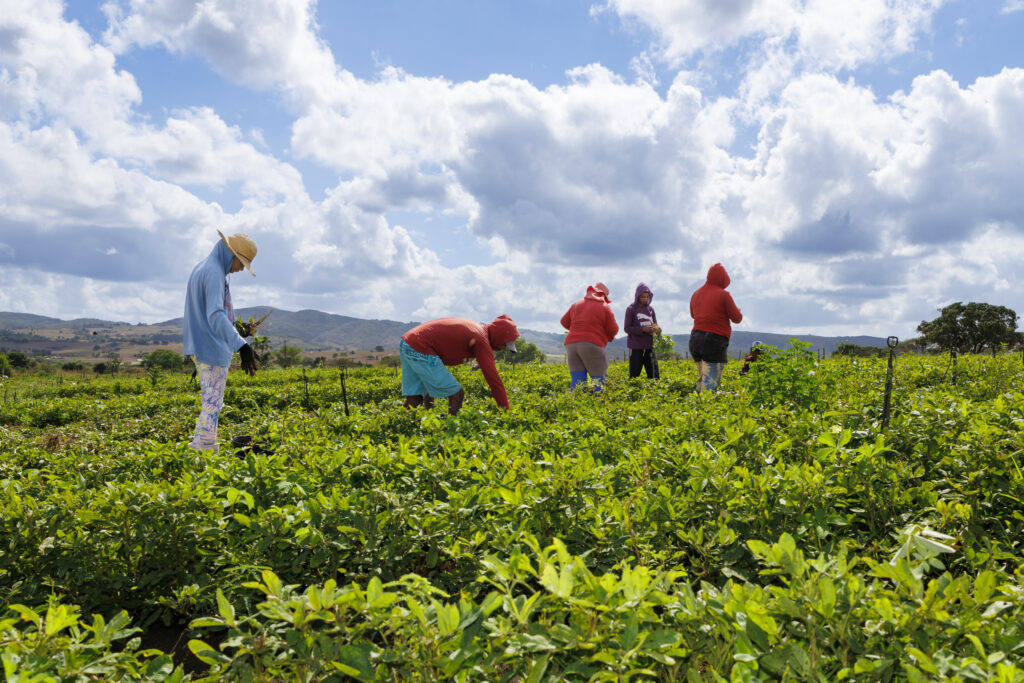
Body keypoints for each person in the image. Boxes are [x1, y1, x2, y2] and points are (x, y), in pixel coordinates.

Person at [183, 230, 259, 454]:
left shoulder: (202, 268)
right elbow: (215, 315)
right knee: (212, 406)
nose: (241, 269)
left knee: (210, 403)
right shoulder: (214, 272)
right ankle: (203, 457)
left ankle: (200, 453)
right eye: (241, 263)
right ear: (231, 254)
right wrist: (241, 345)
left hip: (202, 346)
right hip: (211, 348)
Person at [400, 315, 519, 415]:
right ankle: (451, 432)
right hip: (421, 347)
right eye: (504, 345)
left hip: (409, 342)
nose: (503, 349)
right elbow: (494, 381)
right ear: (499, 336)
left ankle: (404, 426)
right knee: (456, 393)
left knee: (415, 399)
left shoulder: (478, 330)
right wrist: (506, 413)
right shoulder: (481, 339)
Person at [689, 263, 742, 393]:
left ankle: (695, 402)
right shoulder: (724, 295)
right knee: (710, 382)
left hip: (695, 339)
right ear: (723, 278)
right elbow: (737, 318)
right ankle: (705, 404)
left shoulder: (696, 293)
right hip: (713, 341)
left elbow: (693, 315)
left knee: (703, 378)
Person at [561, 283, 619, 391]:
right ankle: (599, 399)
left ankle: (575, 400)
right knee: (599, 380)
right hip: (592, 344)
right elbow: (613, 329)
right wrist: (607, 338)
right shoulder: (604, 307)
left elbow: (564, 321)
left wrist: (576, 330)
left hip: (571, 345)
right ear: (604, 296)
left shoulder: (576, 304)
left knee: (577, 381)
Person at [623, 282, 661, 379]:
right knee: (634, 377)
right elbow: (627, 328)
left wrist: (657, 330)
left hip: (649, 347)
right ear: (638, 296)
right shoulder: (631, 309)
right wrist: (642, 329)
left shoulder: (651, 310)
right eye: (643, 297)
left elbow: (655, 325)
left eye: (647, 297)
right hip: (636, 347)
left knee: (654, 376)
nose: (645, 299)